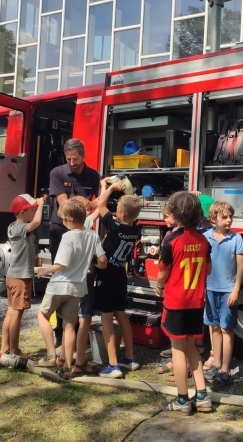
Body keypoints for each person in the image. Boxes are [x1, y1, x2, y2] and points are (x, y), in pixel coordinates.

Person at [34, 200, 107, 378]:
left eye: (63, 220)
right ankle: (67, 367)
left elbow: (61, 264)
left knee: (43, 315)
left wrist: (44, 270)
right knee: (69, 326)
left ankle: (52, 355)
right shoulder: (93, 235)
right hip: (77, 288)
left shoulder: (68, 237)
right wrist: (93, 265)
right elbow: (103, 262)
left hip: (59, 285)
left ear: (68, 219)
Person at [157, 191, 213, 414]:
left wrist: (160, 285)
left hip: (176, 301)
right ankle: (202, 396)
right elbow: (207, 269)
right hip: (196, 302)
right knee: (193, 348)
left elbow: (162, 273)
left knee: (177, 350)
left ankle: (182, 399)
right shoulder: (203, 239)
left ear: (176, 213)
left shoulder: (171, 239)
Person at [48, 139, 101, 345]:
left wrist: (93, 209)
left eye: (75, 159)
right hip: (61, 231)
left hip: (83, 232)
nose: (72, 162)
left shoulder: (93, 175)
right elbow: (65, 205)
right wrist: (86, 205)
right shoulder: (58, 173)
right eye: (68, 158)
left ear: (83, 155)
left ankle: (78, 330)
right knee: (61, 278)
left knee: (81, 278)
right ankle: (61, 330)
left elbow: (97, 202)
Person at [95, 177, 145, 378]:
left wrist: (106, 188)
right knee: (121, 314)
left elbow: (100, 204)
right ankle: (130, 357)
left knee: (106, 317)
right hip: (120, 276)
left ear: (122, 213)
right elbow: (127, 209)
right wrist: (126, 193)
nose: (114, 210)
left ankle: (113, 365)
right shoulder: (134, 230)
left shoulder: (114, 227)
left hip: (106, 276)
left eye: (118, 209)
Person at [202, 200, 243, 390]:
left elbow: (241, 266)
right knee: (214, 327)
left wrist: (236, 289)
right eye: (224, 217)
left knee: (227, 329)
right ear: (213, 219)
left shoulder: (236, 239)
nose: (229, 221)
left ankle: (226, 369)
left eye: (230, 217)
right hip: (209, 289)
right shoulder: (204, 237)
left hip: (228, 290)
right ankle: (217, 363)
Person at [1, 193, 45, 356]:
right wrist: (41, 205)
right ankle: (14, 350)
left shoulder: (12, 226)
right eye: (32, 209)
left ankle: (5, 348)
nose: (35, 211)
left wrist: (37, 205)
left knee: (11, 312)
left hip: (12, 276)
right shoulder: (21, 228)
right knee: (16, 316)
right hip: (20, 278)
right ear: (23, 211)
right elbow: (37, 222)